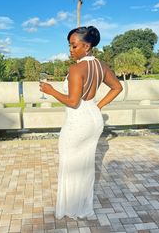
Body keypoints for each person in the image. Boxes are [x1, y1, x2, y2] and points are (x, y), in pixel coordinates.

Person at [39, 26, 123, 219]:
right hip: (93, 118)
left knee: (70, 164)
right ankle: (82, 206)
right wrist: (98, 106)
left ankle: (69, 208)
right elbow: (117, 87)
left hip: (78, 121)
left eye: (74, 45)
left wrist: (50, 91)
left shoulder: (76, 68)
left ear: (86, 46)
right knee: (85, 165)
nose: (70, 49)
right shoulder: (101, 66)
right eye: (69, 45)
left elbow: (73, 101)